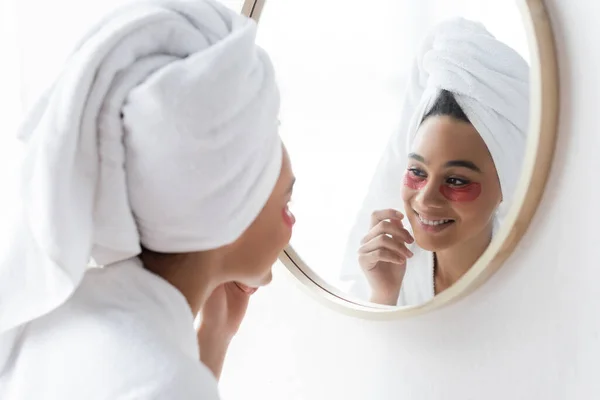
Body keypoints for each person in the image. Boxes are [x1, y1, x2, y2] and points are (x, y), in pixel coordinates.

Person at [0, 0, 295, 398]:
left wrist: (213, 339)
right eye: (266, 139)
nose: (288, 170)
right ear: (221, 199)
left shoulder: (54, 321)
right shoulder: (164, 382)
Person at [339, 18, 530, 306]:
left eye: (456, 180)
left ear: (508, 181)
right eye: (417, 171)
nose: (426, 198)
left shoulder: (530, 285)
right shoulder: (393, 273)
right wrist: (383, 294)